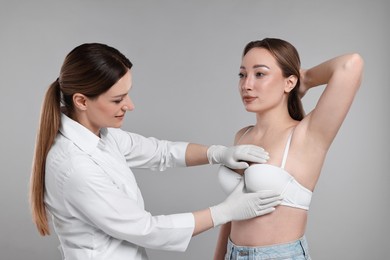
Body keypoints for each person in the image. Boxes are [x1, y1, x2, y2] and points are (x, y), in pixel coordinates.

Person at [29, 43, 283, 260]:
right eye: (117, 100)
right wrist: (224, 212)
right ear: (82, 101)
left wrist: (218, 153)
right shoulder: (75, 167)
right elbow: (146, 229)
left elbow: (161, 152)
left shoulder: (103, 135)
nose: (130, 105)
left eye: (127, 94)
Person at [214, 38, 364, 259]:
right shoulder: (243, 135)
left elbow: (351, 64)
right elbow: (233, 208)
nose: (246, 84)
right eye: (242, 74)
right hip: (234, 253)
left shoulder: (306, 135)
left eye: (260, 74)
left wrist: (306, 78)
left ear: (289, 82)